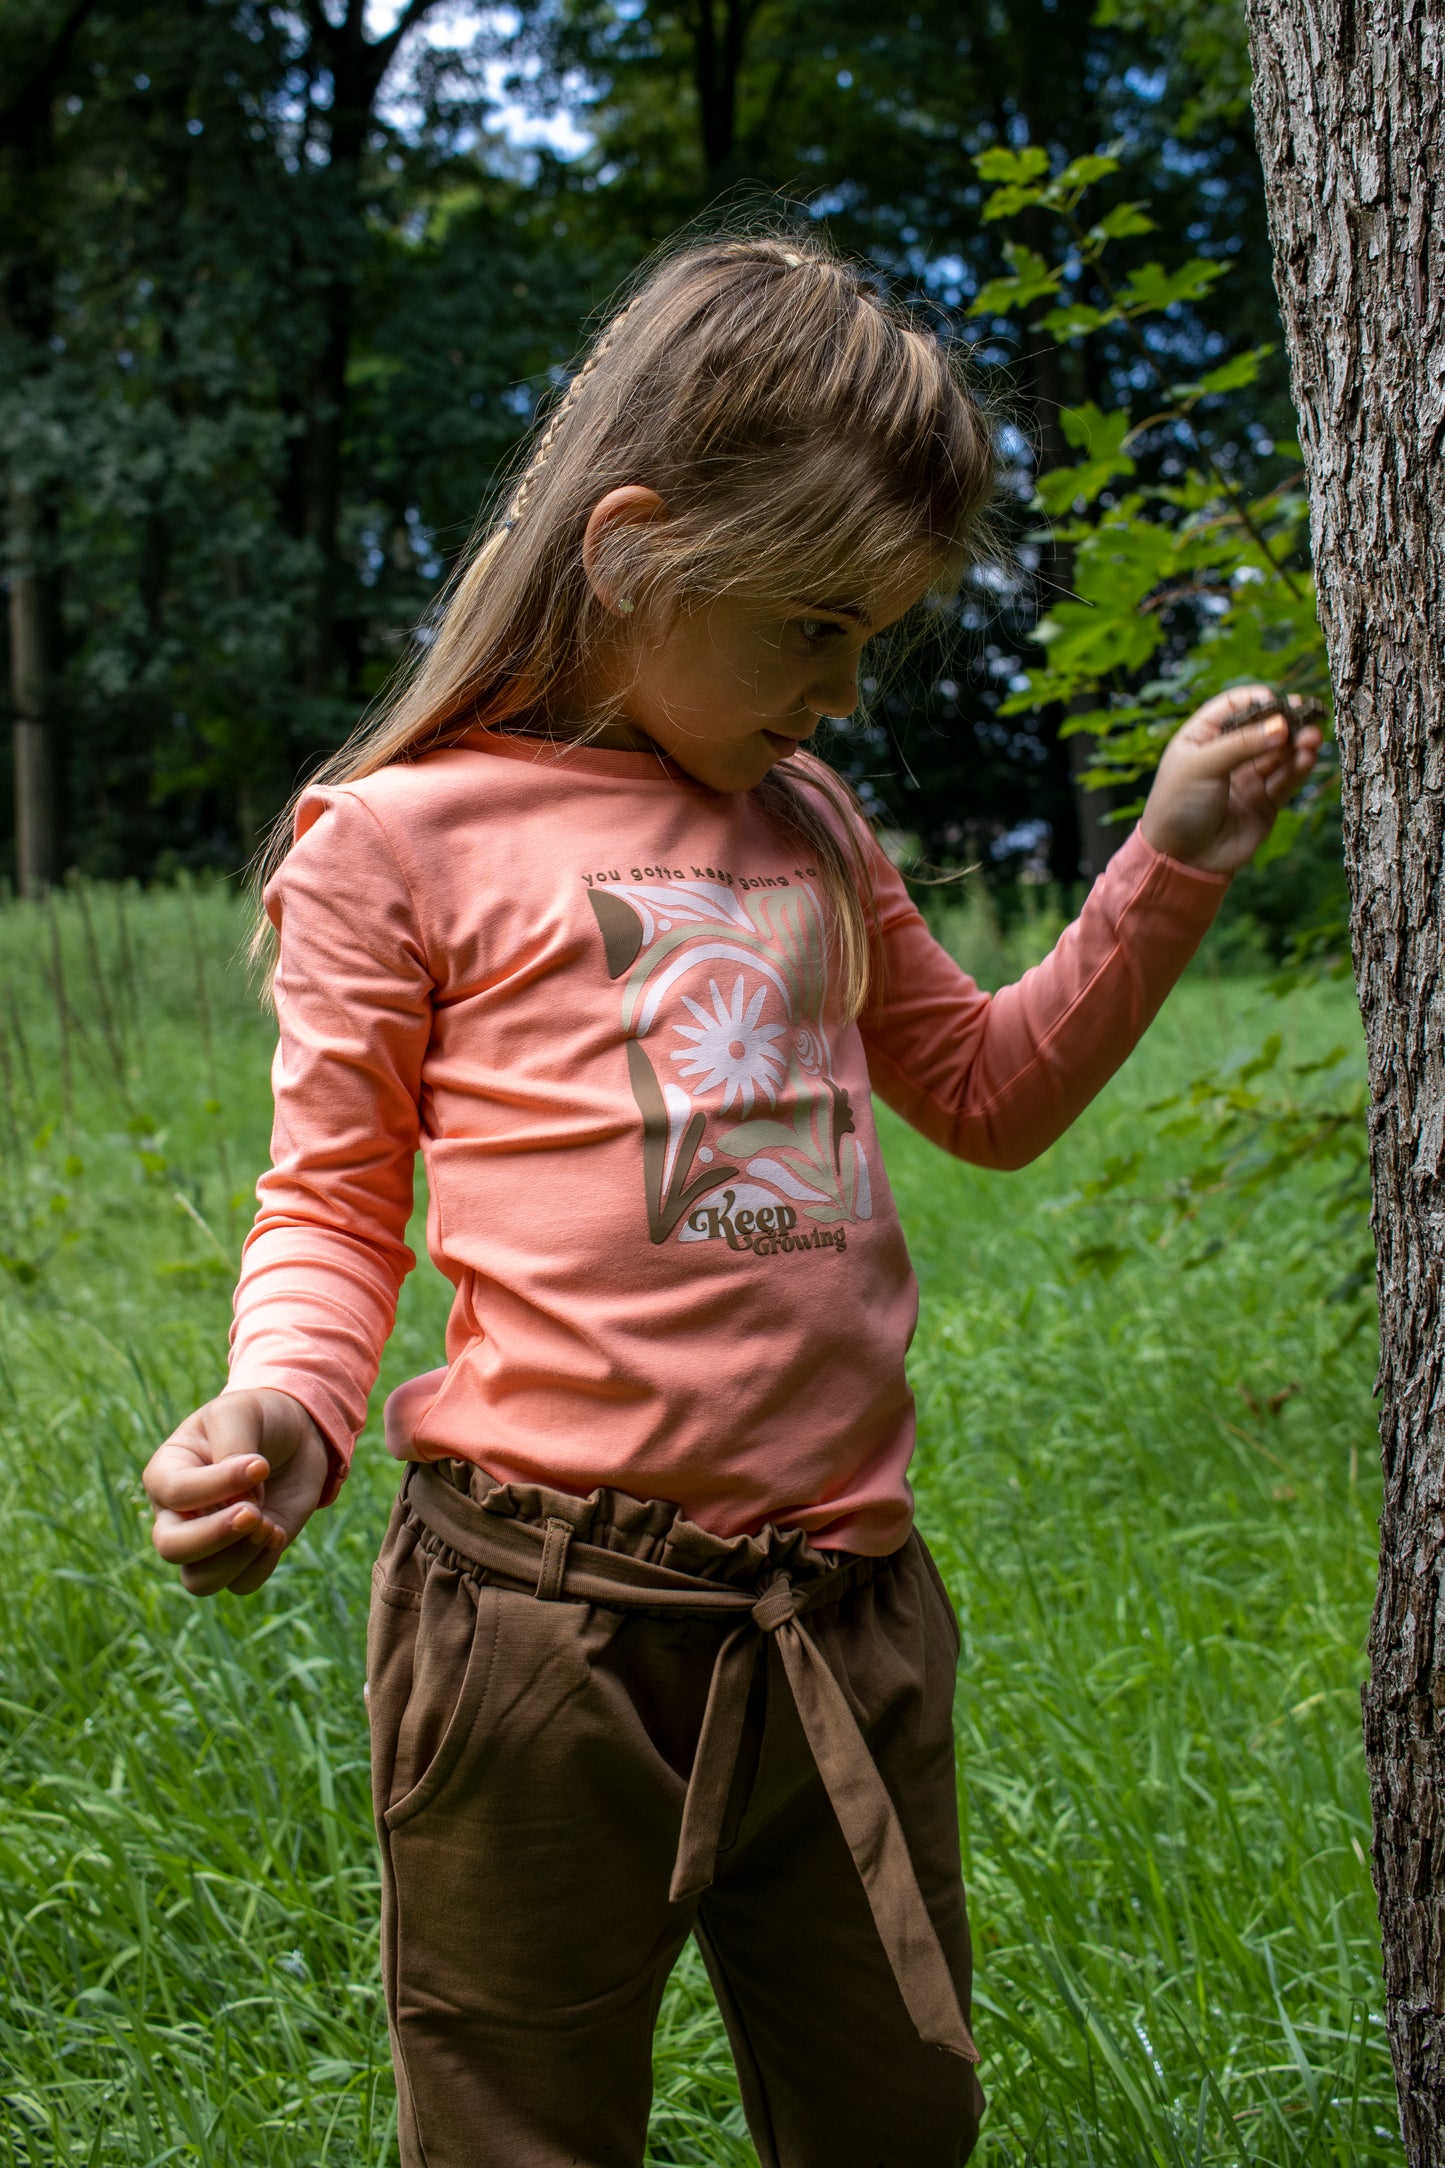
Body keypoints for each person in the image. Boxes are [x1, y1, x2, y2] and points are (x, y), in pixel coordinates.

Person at [141, 234, 1321, 2168]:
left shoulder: (814, 828)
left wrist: (1165, 867)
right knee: (521, 2121)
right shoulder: (398, 843)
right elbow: (336, 1207)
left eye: (874, 640)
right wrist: (282, 1406)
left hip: (842, 1620)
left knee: (891, 2115)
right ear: (631, 553)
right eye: (812, 629)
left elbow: (990, 1093)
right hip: (537, 1636)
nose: (847, 690)